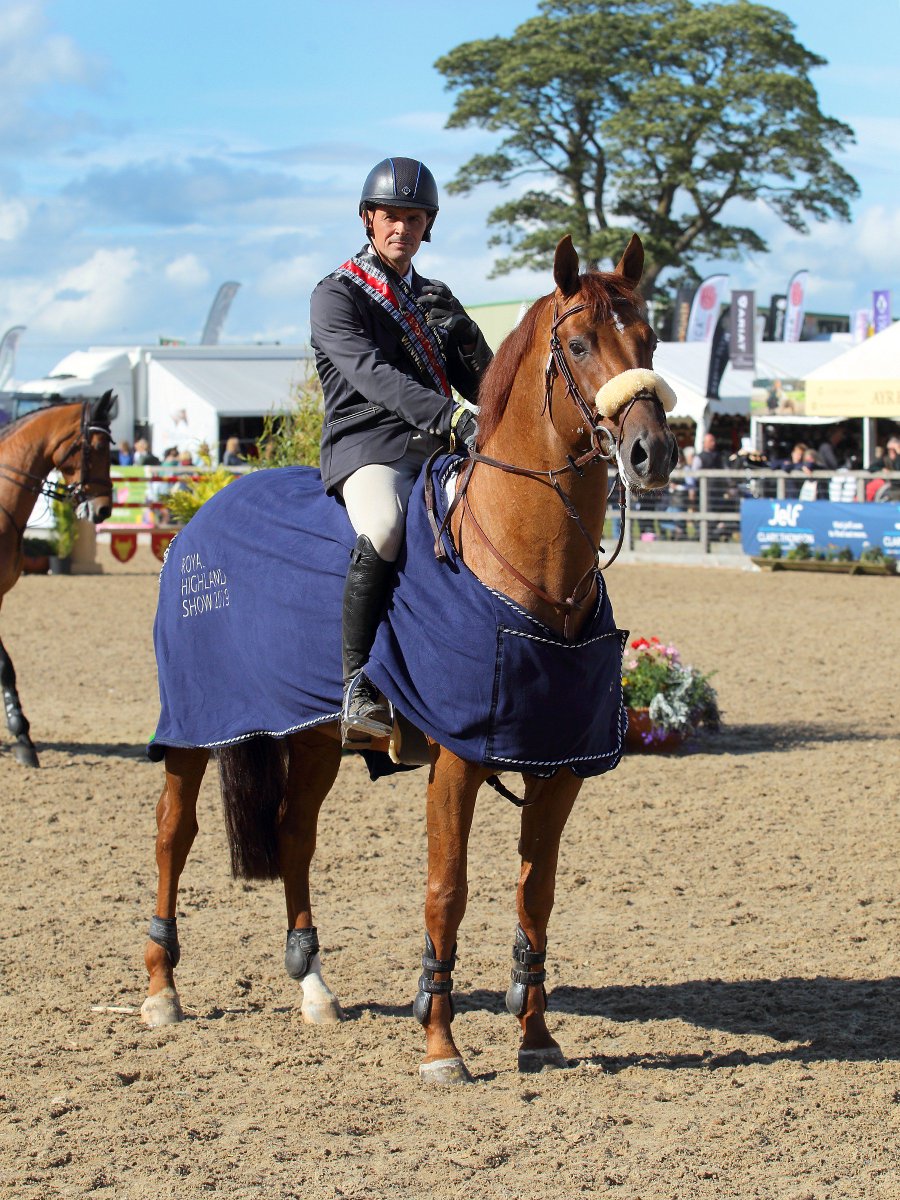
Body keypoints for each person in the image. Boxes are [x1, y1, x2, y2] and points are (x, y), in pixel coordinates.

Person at [310, 156, 492, 742]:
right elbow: (371, 375)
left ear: (427, 227)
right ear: (367, 218)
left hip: (440, 448)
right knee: (387, 528)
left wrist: (467, 340)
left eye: (414, 219)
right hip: (369, 446)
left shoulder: (435, 296)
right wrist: (450, 415)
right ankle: (357, 685)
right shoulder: (337, 295)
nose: (401, 229)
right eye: (390, 216)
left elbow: (487, 388)